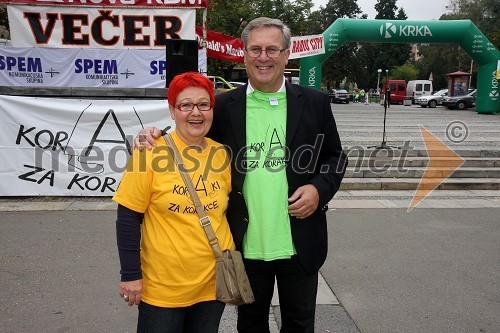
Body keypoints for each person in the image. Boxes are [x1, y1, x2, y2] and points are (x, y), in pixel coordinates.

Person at [134, 17, 348, 333]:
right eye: (256, 49)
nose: (264, 57)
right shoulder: (223, 106)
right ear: (244, 55)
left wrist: (318, 188)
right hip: (243, 242)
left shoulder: (315, 103)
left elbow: (335, 157)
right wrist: (154, 134)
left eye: (272, 49)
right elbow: (190, 133)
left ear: (286, 54)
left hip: (299, 241)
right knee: (250, 325)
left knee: (300, 325)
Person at [114, 72, 234, 333]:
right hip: (164, 288)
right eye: (186, 105)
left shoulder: (221, 154)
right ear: (172, 110)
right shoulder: (150, 153)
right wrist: (130, 275)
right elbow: (127, 217)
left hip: (214, 283)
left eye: (204, 104)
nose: (196, 112)